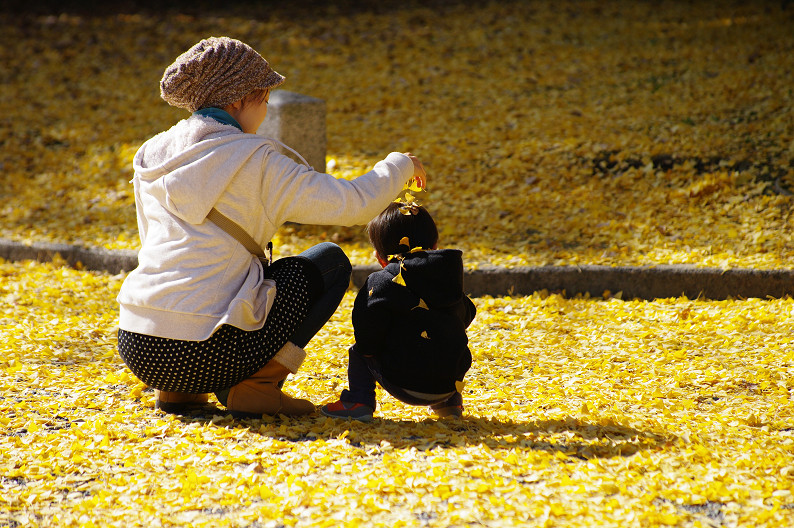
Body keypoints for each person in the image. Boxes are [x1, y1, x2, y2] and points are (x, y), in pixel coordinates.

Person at [116, 37, 426, 418]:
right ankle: (255, 384)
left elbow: (151, 241)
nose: (264, 110)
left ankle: (177, 392)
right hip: (203, 350)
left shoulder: (151, 153)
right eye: (262, 99)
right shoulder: (257, 161)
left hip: (139, 343)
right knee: (329, 261)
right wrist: (400, 165)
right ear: (236, 101)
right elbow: (353, 204)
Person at [320, 201, 476, 422]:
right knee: (444, 341)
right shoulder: (447, 278)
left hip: (403, 381)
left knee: (359, 352)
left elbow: (367, 333)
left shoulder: (381, 282)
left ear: (380, 258)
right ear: (435, 245)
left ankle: (358, 401)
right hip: (449, 382)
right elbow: (467, 313)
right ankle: (449, 405)